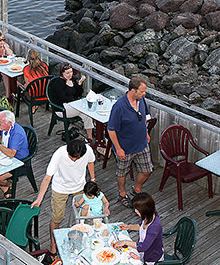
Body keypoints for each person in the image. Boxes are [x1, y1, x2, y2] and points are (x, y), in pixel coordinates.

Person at [32, 139, 97, 258]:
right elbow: (47, 178)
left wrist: (92, 179)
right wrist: (39, 198)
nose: (74, 160)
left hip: (79, 186)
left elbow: (90, 162)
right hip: (60, 188)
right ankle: (53, 243)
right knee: (57, 217)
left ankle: (81, 240)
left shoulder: (87, 151)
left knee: (83, 214)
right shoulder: (59, 154)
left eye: (77, 158)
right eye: (72, 157)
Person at [108, 76, 153, 208]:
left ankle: (136, 188)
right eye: (142, 91)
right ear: (133, 90)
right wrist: (118, 148)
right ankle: (122, 193)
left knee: (147, 170)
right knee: (122, 173)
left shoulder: (141, 100)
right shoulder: (119, 107)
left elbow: (144, 116)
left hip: (141, 144)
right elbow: (111, 129)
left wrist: (146, 132)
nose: (144, 94)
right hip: (125, 148)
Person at [113, 192, 164, 265]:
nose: (135, 211)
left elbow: (143, 247)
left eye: (138, 209)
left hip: (151, 256)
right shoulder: (149, 216)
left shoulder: (154, 227)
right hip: (144, 252)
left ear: (145, 210)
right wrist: (128, 227)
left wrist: (125, 242)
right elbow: (141, 226)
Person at [0, 110, 29, 197]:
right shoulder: (6, 127)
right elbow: (2, 138)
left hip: (20, 162)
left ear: (9, 123)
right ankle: (7, 189)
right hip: (7, 157)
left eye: (0, 123)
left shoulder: (17, 133)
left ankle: (9, 185)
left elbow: (11, 154)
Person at [51, 62, 94, 141]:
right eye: (67, 73)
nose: (70, 75)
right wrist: (75, 100)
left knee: (87, 115)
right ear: (62, 73)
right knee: (85, 109)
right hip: (61, 108)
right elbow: (63, 98)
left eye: (71, 72)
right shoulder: (58, 83)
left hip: (72, 105)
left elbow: (78, 94)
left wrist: (79, 84)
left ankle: (90, 138)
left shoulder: (72, 80)